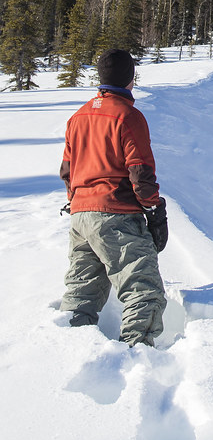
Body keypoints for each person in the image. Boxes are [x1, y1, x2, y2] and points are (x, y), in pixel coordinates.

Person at [60, 48, 168, 347]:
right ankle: (138, 354)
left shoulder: (78, 116)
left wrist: (77, 200)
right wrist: (152, 206)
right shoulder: (128, 116)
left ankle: (68, 352)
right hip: (116, 213)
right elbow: (140, 171)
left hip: (80, 214)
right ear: (130, 79)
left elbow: (68, 170)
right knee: (142, 288)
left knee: (81, 293)